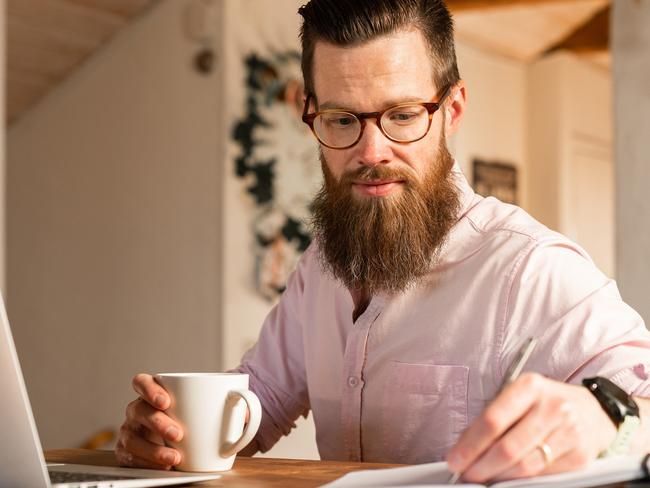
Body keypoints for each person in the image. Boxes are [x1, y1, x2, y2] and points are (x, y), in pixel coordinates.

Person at [116, 0, 650, 483]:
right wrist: (174, 433)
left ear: (453, 110)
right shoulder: (321, 266)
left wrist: (610, 422)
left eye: (401, 115)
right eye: (343, 119)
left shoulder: (530, 268)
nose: (371, 151)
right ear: (311, 116)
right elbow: (261, 398)